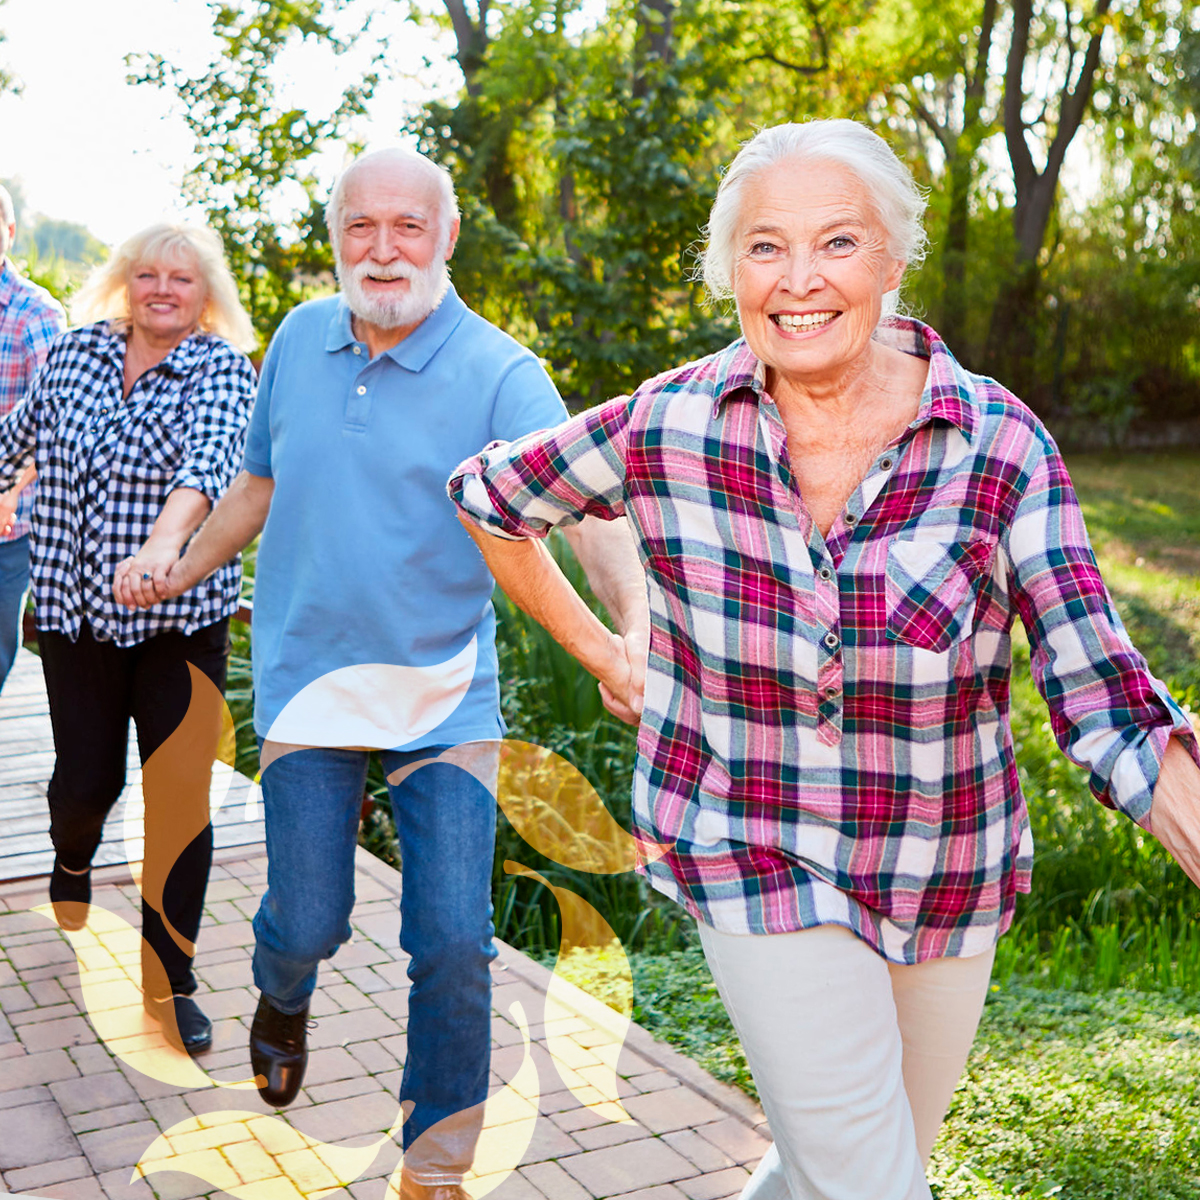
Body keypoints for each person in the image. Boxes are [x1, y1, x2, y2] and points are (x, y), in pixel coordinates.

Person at [448, 119, 1200, 1200]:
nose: (799, 279)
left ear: (893, 261)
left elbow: (1102, 692)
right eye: (765, 246)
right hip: (748, 845)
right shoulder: (670, 423)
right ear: (732, 272)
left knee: (849, 1166)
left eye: (838, 242)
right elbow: (490, 499)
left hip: (942, 866)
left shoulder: (997, 445)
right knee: (869, 1183)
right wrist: (610, 651)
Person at [139, 147, 645, 1200]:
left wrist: (630, 631)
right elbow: (258, 483)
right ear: (336, 238)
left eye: (408, 226)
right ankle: (283, 993)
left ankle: (435, 1169)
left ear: (446, 236)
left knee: (454, 940)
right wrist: (180, 565)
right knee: (308, 918)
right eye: (361, 226)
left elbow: (590, 513)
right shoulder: (297, 339)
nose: (384, 249)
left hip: (442, 697)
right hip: (308, 685)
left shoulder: (501, 372)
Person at [0, 222, 257, 1056]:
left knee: (178, 799)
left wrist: (161, 547)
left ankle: (168, 980)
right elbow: (14, 441)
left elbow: (209, 465)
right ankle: (71, 856)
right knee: (87, 784)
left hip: (179, 620)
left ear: (205, 292)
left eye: (181, 279)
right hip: (76, 618)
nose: (162, 291)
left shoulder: (221, 368)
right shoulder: (75, 355)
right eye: (147, 274)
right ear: (124, 281)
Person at [0, 184, 66, 690]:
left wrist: (9, 491)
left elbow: (57, 419)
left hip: (6, 523)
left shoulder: (35, 313)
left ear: (9, 231)